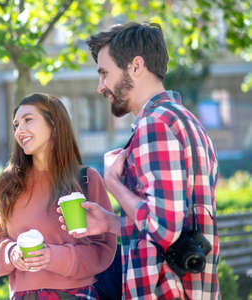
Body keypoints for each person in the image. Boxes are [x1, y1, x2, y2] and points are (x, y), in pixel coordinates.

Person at [59, 22, 220, 299]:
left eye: (104, 73)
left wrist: (113, 183)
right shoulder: (186, 122)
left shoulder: (155, 126)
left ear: (136, 66)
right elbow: (175, 222)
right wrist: (111, 224)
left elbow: (164, 229)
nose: (101, 87)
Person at [0, 93, 117, 299]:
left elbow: (103, 249)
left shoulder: (85, 179)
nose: (20, 130)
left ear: (53, 124)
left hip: (76, 295)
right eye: (16, 125)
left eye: (28, 120)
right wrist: (12, 254)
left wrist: (52, 257)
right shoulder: (6, 185)